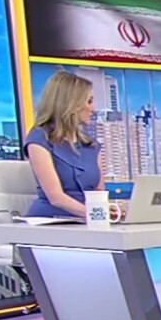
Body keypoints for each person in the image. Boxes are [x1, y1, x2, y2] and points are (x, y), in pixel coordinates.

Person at [24, 71, 104, 219]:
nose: (93, 109)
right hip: (52, 220)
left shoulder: (92, 146)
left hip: (88, 221)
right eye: (89, 101)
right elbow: (56, 198)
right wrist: (97, 215)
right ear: (71, 104)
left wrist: (110, 213)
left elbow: (100, 193)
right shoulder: (39, 139)